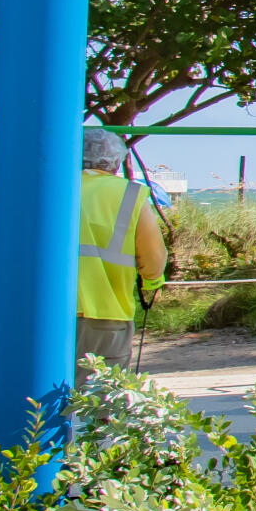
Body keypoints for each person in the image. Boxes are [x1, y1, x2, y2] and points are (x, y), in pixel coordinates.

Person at [75, 129, 166, 381]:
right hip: (106, 307)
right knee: (103, 394)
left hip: (47, 306)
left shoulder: (52, 187)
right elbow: (153, 256)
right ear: (115, 163)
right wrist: (151, 281)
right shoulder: (130, 194)